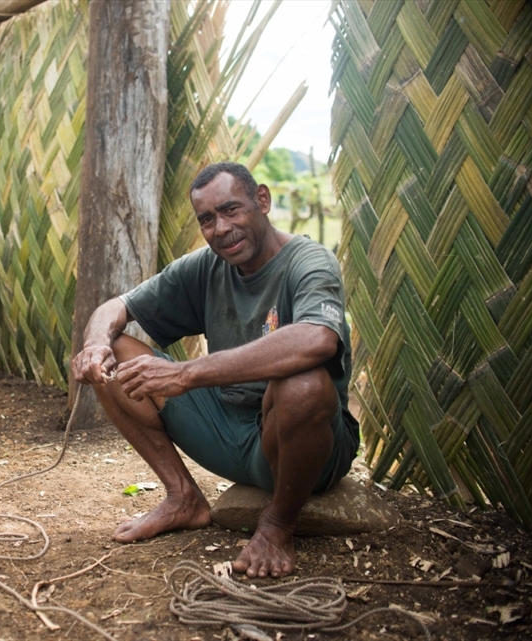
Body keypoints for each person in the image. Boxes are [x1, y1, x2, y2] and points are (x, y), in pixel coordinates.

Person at [72, 162, 358, 579]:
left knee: (304, 383)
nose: (221, 228)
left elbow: (317, 339)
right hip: (228, 432)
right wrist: (95, 344)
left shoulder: (309, 262)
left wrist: (186, 374)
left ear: (262, 200)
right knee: (115, 349)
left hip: (300, 442)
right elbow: (114, 308)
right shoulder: (206, 266)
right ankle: (182, 497)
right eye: (207, 219)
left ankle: (277, 525)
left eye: (231, 210)